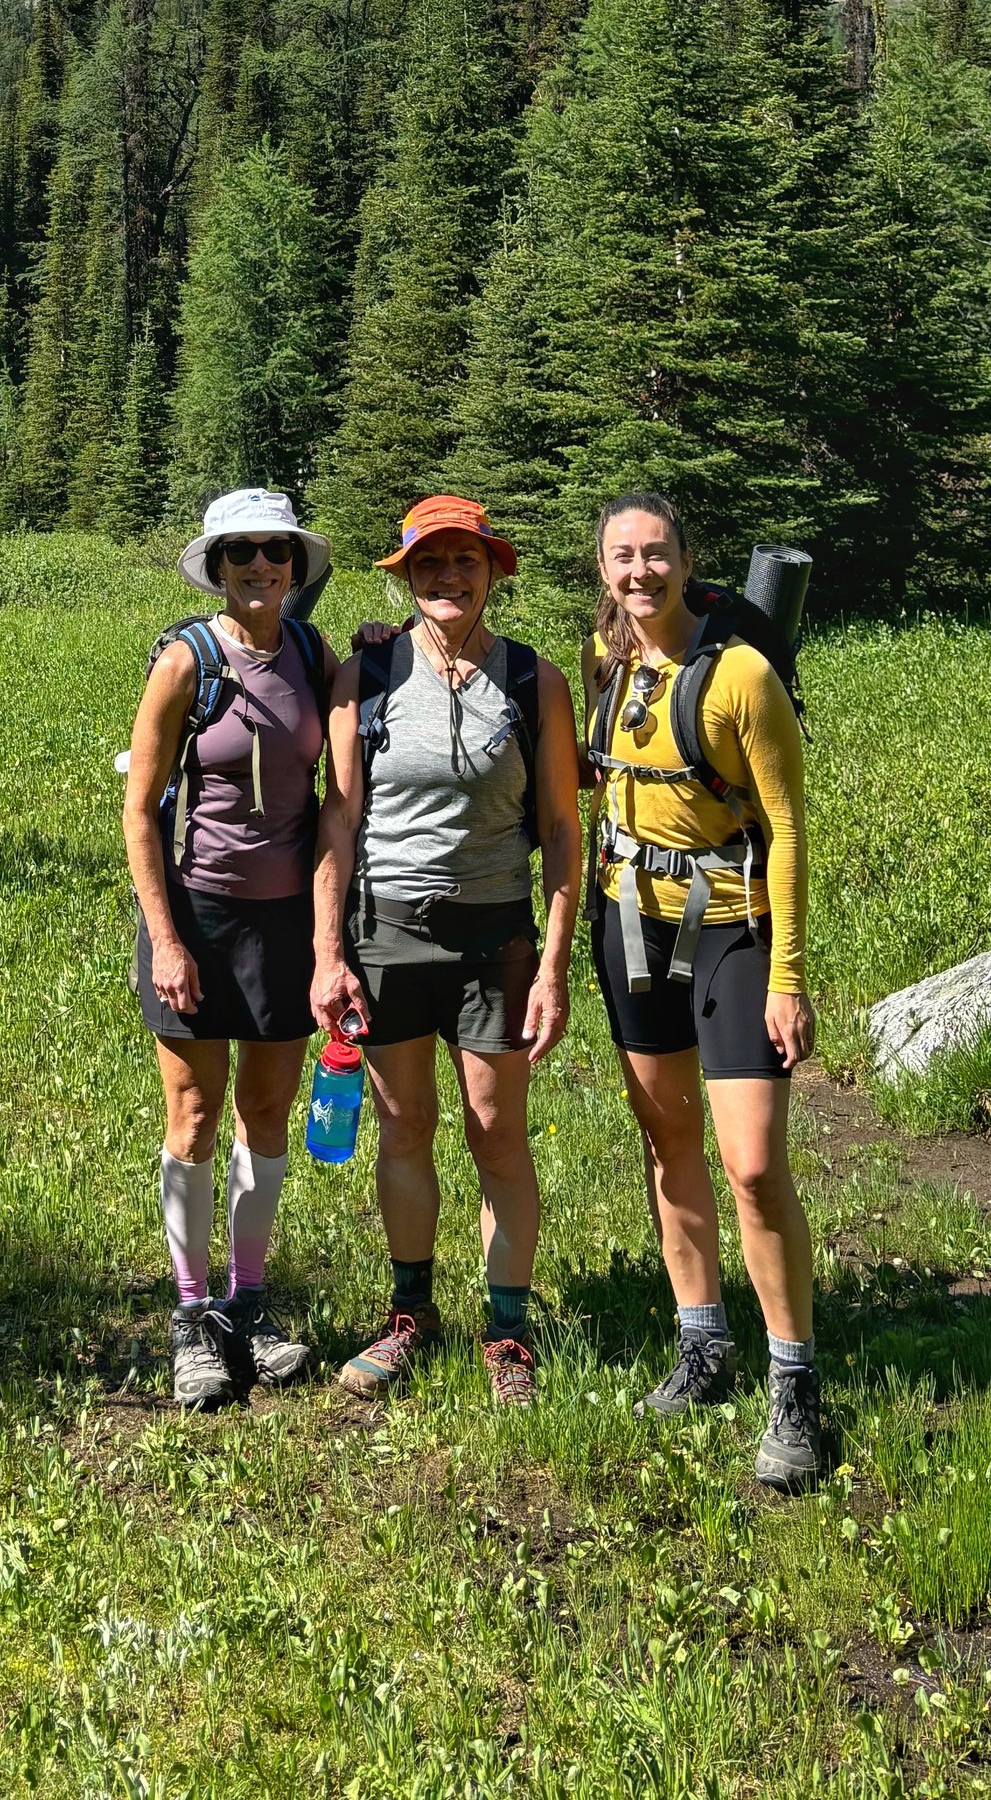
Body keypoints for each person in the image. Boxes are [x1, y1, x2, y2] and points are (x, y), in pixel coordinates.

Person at [311, 496, 582, 1408]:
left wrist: (553, 966)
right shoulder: (367, 673)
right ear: (406, 575)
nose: (448, 577)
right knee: (404, 1125)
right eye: (429, 562)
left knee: (496, 1129)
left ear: (493, 570)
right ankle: (410, 1313)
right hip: (386, 931)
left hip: (495, 935)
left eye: (466, 560)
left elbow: (560, 829)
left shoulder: (536, 681)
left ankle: (507, 1329)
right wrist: (328, 950)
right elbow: (339, 817)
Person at [584, 490, 827, 1488]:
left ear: (687, 561)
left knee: (753, 1165)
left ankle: (794, 1382)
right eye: (622, 557)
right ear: (603, 571)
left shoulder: (742, 676)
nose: (639, 572)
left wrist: (789, 978)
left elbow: (788, 827)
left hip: (732, 930)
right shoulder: (605, 662)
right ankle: (702, 1342)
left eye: (656, 554)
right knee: (667, 1140)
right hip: (628, 924)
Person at [123, 486, 335, 1411]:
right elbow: (139, 810)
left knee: (268, 1111)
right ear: (216, 565)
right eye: (240, 550)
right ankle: (191, 1312)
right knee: (195, 1112)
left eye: (275, 550)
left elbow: (344, 769)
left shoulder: (314, 655)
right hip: (197, 915)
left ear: (295, 565)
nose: (259, 564)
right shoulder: (186, 662)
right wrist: (166, 938)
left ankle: (248, 1301)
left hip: (286, 920)